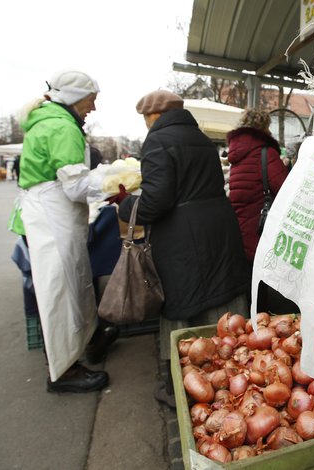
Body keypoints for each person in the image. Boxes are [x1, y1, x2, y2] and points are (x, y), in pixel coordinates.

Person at [115, 90, 251, 407]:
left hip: (182, 235)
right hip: (218, 227)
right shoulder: (201, 139)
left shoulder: (158, 141)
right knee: (219, 295)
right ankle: (227, 367)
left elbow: (157, 199)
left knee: (183, 299)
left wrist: (127, 207)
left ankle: (182, 380)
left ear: (153, 115)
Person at [17, 70, 109, 393]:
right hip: (51, 218)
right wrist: (113, 180)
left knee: (72, 285)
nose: (93, 108)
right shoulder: (60, 127)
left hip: (46, 214)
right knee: (58, 292)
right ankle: (63, 371)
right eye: (91, 100)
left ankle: (86, 342)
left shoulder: (51, 120)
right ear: (72, 97)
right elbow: (75, 186)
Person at [226, 108, 294, 313]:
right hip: (258, 227)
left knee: (247, 279)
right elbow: (284, 189)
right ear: (264, 127)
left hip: (239, 224)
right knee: (259, 283)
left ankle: (246, 321)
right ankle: (259, 324)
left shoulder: (237, 153)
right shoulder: (265, 152)